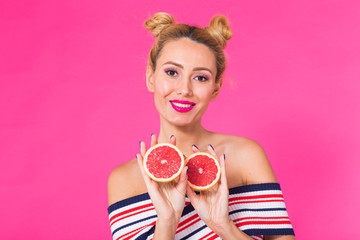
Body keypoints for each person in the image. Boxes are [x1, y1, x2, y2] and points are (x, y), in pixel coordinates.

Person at [107, 12, 295, 240]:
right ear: (150, 78)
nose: (184, 89)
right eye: (172, 72)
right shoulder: (124, 180)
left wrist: (222, 225)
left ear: (215, 88)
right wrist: (167, 221)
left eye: (201, 78)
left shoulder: (246, 156)